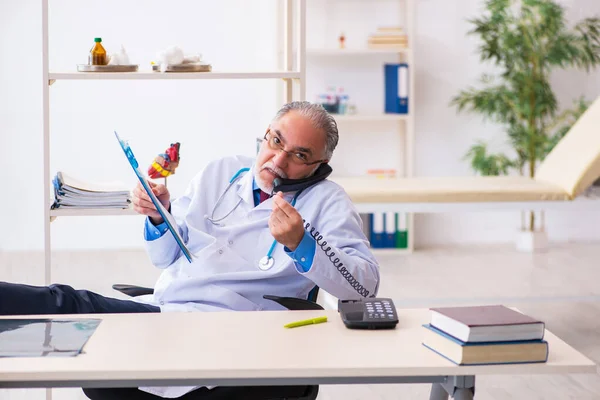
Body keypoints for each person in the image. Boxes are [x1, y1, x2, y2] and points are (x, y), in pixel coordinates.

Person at [0, 101, 380, 399]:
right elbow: (165, 257)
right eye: (276, 141)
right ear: (265, 134)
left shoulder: (328, 202)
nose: (278, 159)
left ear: (320, 165)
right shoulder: (222, 170)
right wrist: (159, 218)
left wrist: (301, 243)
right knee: (66, 304)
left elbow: (363, 289)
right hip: (167, 314)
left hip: (242, 332)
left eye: (299, 155)